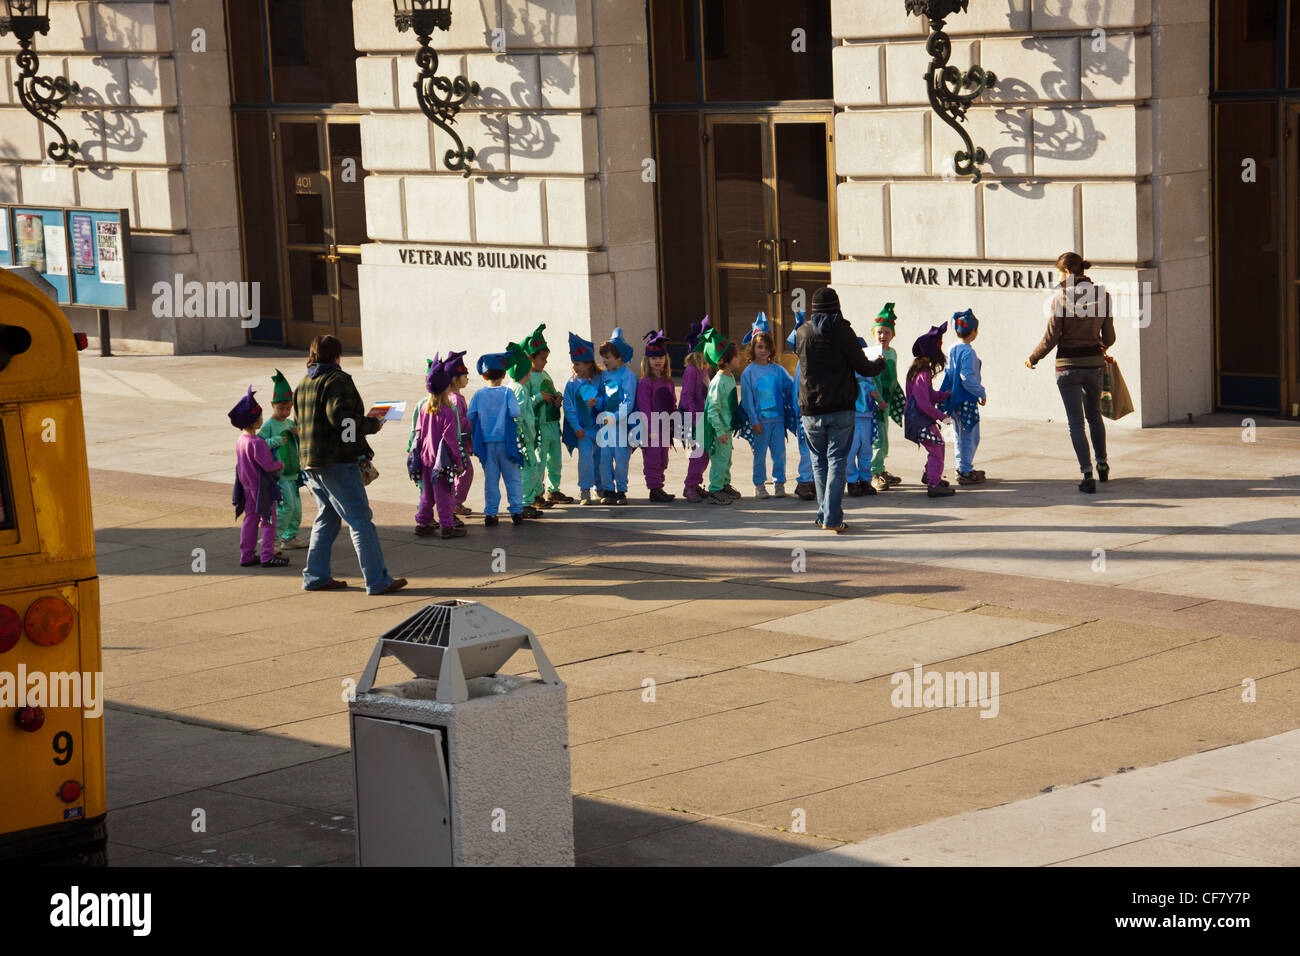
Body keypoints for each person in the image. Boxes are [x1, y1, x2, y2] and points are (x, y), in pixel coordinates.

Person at [294, 335, 405, 594]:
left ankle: (315, 576)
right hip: (337, 461)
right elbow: (342, 421)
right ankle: (377, 580)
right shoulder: (337, 380)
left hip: (310, 462)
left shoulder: (303, 384)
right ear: (336, 356)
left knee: (327, 518)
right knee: (360, 519)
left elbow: (301, 423)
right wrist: (372, 424)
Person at [794, 286, 886, 534]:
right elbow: (864, 368)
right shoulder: (844, 332)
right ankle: (832, 518)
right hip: (840, 409)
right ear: (837, 306)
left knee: (818, 462)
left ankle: (824, 513)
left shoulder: (802, 332)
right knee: (836, 461)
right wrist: (879, 364)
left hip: (810, 409)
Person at [1027, 252, 1117, 494]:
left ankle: (1087, 475)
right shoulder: (1104, 296)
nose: (1057, 278)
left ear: (1067, 272)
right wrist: (1099, 348)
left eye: (1058, 273)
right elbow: (1109, 337)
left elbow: (1051, 339)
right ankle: (1103, 464)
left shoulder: (1060, 300)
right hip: (1094, 365)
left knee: (1076, 422)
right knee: (1095, 415)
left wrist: (1033, 358)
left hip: (1067, 367)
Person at [230, 386, 288, 568]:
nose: (263, 418)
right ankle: (267, 555)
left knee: (250, 519)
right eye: (260, 416)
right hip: (261, 488)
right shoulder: (258, 443)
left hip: (246, 486)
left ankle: (246, 555)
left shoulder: (241, 440)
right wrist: (280, 465)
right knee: (269, 520)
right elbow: (268, 466)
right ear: (254, 420)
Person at [469, 352, 526, 526]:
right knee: (513, 478)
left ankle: (491, 513)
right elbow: (516, 412)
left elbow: (470, 415)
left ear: (484, 375)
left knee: (491, 481)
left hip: (487, 446)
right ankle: (516, 511)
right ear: (503, 374)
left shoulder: (478, 395)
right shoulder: (507, 392)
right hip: (506, 444)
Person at [740, 314, 791, 499]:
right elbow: (747, 401)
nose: (763, 350)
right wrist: (754, 420)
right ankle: (759, 485)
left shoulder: (777, 370)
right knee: (759, 456)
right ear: (753, 348)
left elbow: (792, 386)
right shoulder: (748, 373)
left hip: (778, 421)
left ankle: (779, 483)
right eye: (759, 346)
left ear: (771, 349)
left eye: (766, 347)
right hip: (760, 422)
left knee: (779, 454)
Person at [413, 364, 466, 539]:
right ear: (446, 388)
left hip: (426, 458)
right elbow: (451, 440)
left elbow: (418, 434)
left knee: (427, 495)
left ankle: (423, 522)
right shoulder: (448, 412)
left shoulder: (424, 409)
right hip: (442, 462)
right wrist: (458, 461)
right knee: (445, 495)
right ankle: (447, 526)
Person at [523, 324, 573, 507]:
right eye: (542, 358)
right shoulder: (526, 378)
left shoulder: (544, 373)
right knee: (539, 461)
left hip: (552, 423)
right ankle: (537, 494)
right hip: (539, 427)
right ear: (530, 358)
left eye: (546, 358)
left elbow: (550, 389)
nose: (546, 361)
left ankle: (553, 490)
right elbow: (523, 401)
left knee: (555, 460)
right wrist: (538, 397)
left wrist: (557, 396)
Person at [904, 323, 955, 499]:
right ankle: (934, 484)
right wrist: (942, 417)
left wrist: (943, 395)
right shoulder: (922, 374)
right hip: (919, 421)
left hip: (919, 419)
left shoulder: (921, 371)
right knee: (937, 446)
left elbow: (929, 394)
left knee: (936, 446)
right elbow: (923, 404)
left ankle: (931, 475)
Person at [258, 369, 304, 549]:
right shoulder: (269, 425)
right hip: (279, 474)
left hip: (293, 473)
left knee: (297, 509)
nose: (285, 412)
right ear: (272, 405)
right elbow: (258, 444)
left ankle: (290, 536)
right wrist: (274, 441)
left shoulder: (290, 423)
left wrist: (298, 434)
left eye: (288, 408)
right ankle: (273, 539)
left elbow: (299, 441)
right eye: (281, 408)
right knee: (286, 508)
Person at [942, 309, 987, 485]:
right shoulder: (969, 352)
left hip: (953, 399)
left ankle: (963, 467)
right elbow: (966, 377)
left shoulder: (952, 348)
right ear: (974, 332)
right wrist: (981, 392)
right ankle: (965, 470)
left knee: (959, 433)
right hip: (966, 400)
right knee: (970, 435)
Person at [700, 329, 741, 505]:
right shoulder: (718, 382)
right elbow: (712, 409)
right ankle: (715, 490)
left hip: (726, 427)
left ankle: (724, 484)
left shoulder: (729, 376)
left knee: (727, 460)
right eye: (737, 356)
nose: (739, 359)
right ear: (725, 360)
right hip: (719, 429)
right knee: (719, 461)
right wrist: (719, 431)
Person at [505, 341, 546, 519]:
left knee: (522, 471)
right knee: (530, 469)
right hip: (524, 439)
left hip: (518, 438)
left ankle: (523, 500)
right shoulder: (520, 389)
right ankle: (525, 503)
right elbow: (519, 414)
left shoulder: (510, 387)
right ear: (525, 372)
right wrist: (525, 433)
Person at [597, 328, 637, 505]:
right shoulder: (604, 375)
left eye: (608, 357)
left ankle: (621, 490)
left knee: (621, 460)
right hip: (605, 426)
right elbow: (601, 396)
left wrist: (615, 416)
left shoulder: (628, 376)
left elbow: (629, 401)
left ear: (619, 357)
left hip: (621, 427)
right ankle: (608, 489)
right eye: (603, 357)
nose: (604, 361)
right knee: (604, 459)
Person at [562, 333, 603, 505]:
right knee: (585, 459)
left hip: (599, 428)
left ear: (588, 364)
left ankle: (599, 487)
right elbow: (568, 407)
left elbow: (608, 397)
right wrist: (576, 427)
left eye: (577, 364)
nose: (574, 367)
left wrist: (598, 402)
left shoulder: (600, 379)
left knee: (600, 459)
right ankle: (585, 489)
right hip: (583, 430)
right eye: (573, 363)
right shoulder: (571, 384)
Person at [637, 330, 677, 503]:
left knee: (663, 460)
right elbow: (644, 407)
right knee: (652, 459)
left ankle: (660, 486)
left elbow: (672, 403)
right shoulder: (646, 382)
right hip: (652, 429)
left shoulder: (668, 381)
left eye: (660, 357)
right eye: (654, 358)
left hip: (665, 427)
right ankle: (654, 489)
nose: (658, 361)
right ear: (647, 360)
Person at [868, 304, 905, 492]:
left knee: (884, 436)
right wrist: (878, 400)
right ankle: (873, 473)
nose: (883, 336)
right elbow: (872, 381)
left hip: (887, 401)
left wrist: (896, 396)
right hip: (877, 403)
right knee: (877, 437)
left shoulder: (893, 353)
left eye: (887, 332)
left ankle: (881, 468)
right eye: (879, 332)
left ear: (893, 335)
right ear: (873, 333)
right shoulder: (873, 354)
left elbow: (894, 376)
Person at [680, 316, 714, 503]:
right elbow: (686, 396)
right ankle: (689, 485)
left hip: (704, 419)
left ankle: (696, 483)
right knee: (697, 455)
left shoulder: (704, 369)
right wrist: (696, 419)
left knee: (705, 455)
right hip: (695, 421)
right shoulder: (691, 370)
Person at [785, 313, 816, 501]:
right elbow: (798, 392)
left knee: (815, 450)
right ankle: (804, 482)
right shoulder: (801, 366)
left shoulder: (809, 362)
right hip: (804, 416)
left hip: (813, 414)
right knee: (807, 450)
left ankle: (811, 480)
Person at [846, 337, 881, 498]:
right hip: (851, 418)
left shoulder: (868, 374)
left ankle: (865, 479)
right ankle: (852, 481)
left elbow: (872, 391)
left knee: (866, 450)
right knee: (850, 450)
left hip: (866, 417)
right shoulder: (845, 373)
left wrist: (878, 400)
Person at [444, 350, 474, 518]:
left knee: (461, 472)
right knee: (465, 472)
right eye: (465, 375)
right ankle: (455, 502)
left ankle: (456, 501)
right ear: (455, 379)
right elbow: (458, 422)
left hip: (461, 443)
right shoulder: (455, 399)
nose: (467, 378)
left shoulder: (456, 397)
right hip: (457, 444)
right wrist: (473, 422)